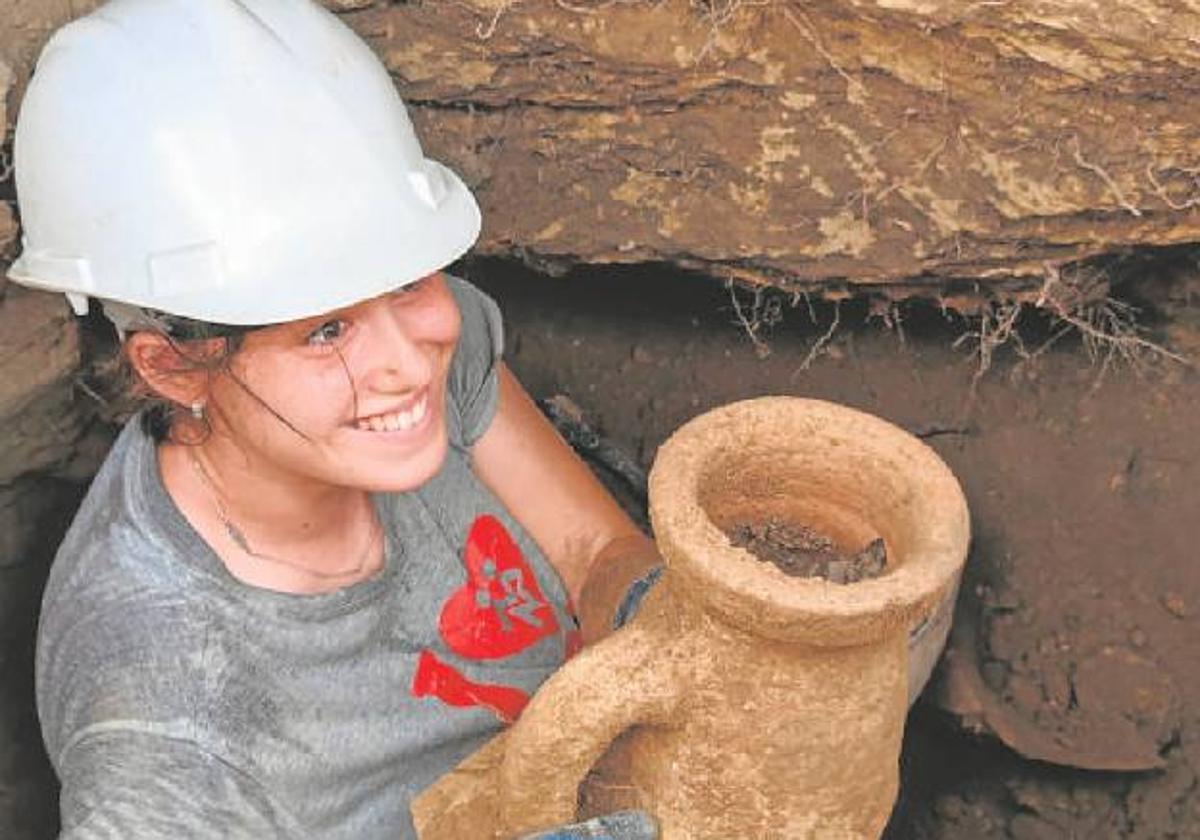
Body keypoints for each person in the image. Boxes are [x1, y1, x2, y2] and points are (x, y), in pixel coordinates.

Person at [9, 0, 661, 837]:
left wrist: (687, 637)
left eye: (404, 280)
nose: (408, 357)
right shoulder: (168, 723)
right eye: (325, 330)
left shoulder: (426, 355)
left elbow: (590, 550)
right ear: (172, 365)